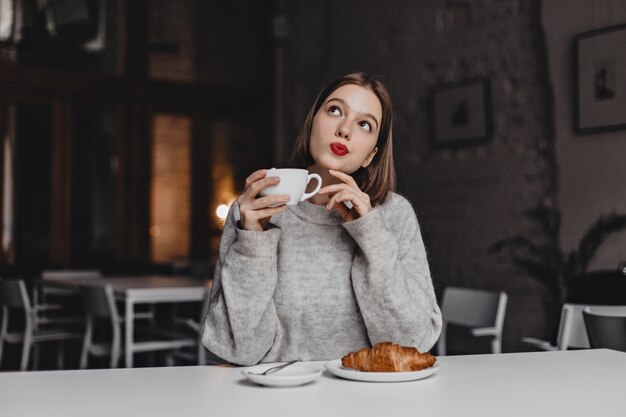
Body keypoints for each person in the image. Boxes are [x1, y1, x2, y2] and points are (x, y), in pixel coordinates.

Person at [202, 72, 442, 365]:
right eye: (335, 110)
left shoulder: (394, 215)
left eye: (364, 125)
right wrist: (252, 241)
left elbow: (412, 345)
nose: (344, 130)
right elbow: (239, 350)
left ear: (370, 155)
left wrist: (370, 234)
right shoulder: (255, 209)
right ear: (312, 122)